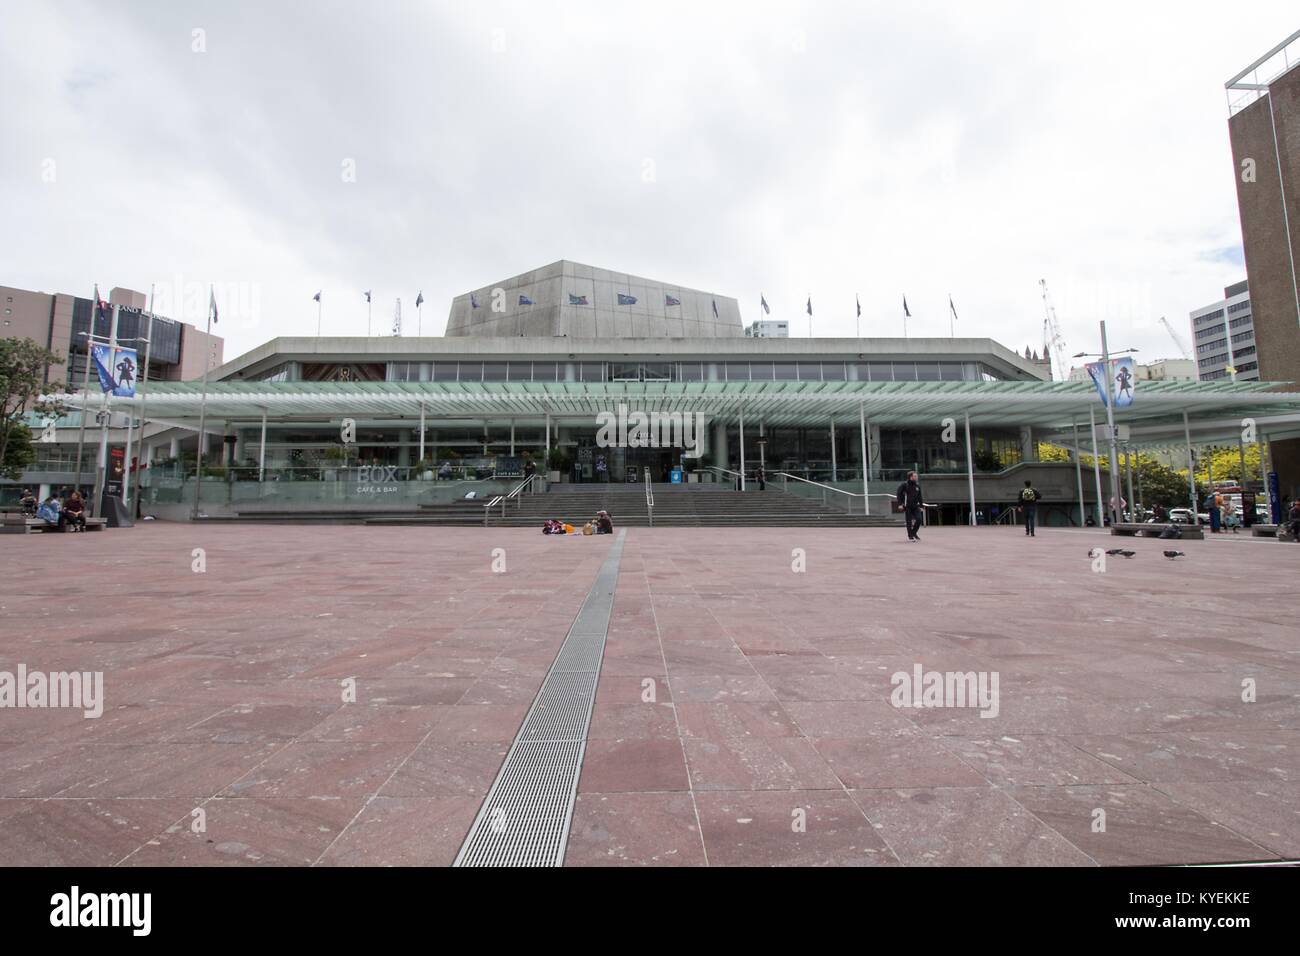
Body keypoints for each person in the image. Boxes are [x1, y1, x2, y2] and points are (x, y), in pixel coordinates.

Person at [895, 471, 924, 542]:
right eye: (915, 476)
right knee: (909, 522)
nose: (917, 477)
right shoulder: (904, 485)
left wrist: (921, 506)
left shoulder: (917, 486)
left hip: (915, 506)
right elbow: (899, 494)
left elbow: (920, 496)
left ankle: (913, 533)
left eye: (916, 476)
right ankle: (910, 536)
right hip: (907, 506)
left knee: (919, 519)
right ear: (911, 477)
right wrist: (900, 504)